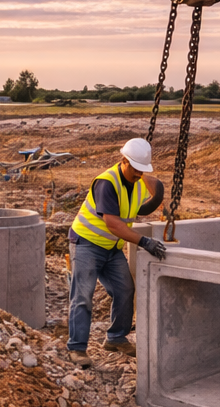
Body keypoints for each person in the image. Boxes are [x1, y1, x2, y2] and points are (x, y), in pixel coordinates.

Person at [66, 136, 168, 368]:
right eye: (136, 169)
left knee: (125, 290)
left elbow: (148, 192)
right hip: (87, 244)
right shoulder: (107, 183)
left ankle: (115, 338)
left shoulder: (138, 180)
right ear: (124, 160)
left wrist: (157, 187)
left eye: (143, 170)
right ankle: (77, 348)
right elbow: (113, 223)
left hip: (111, 248)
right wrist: (145, 242)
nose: (139, 175)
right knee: (83, 297)